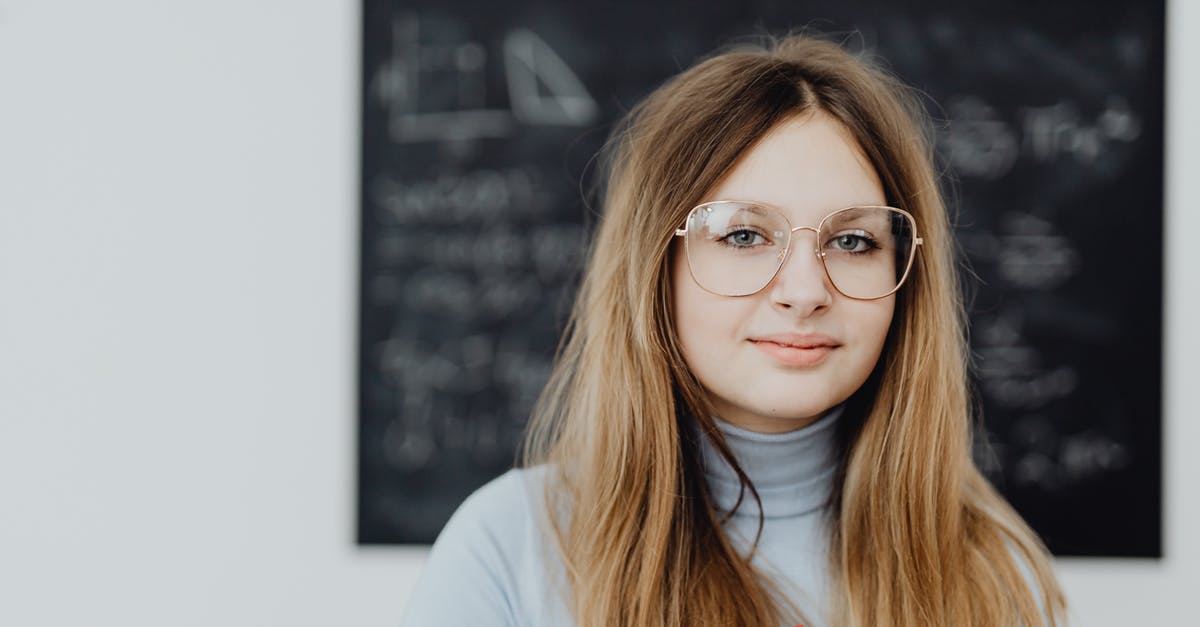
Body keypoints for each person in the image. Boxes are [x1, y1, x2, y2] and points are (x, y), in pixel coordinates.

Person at [401, 32, 1069, 627]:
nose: (805, 292)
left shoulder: (990, 569)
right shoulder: (509, 547)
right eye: (745, 234)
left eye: (854, 241)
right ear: (656, 267)